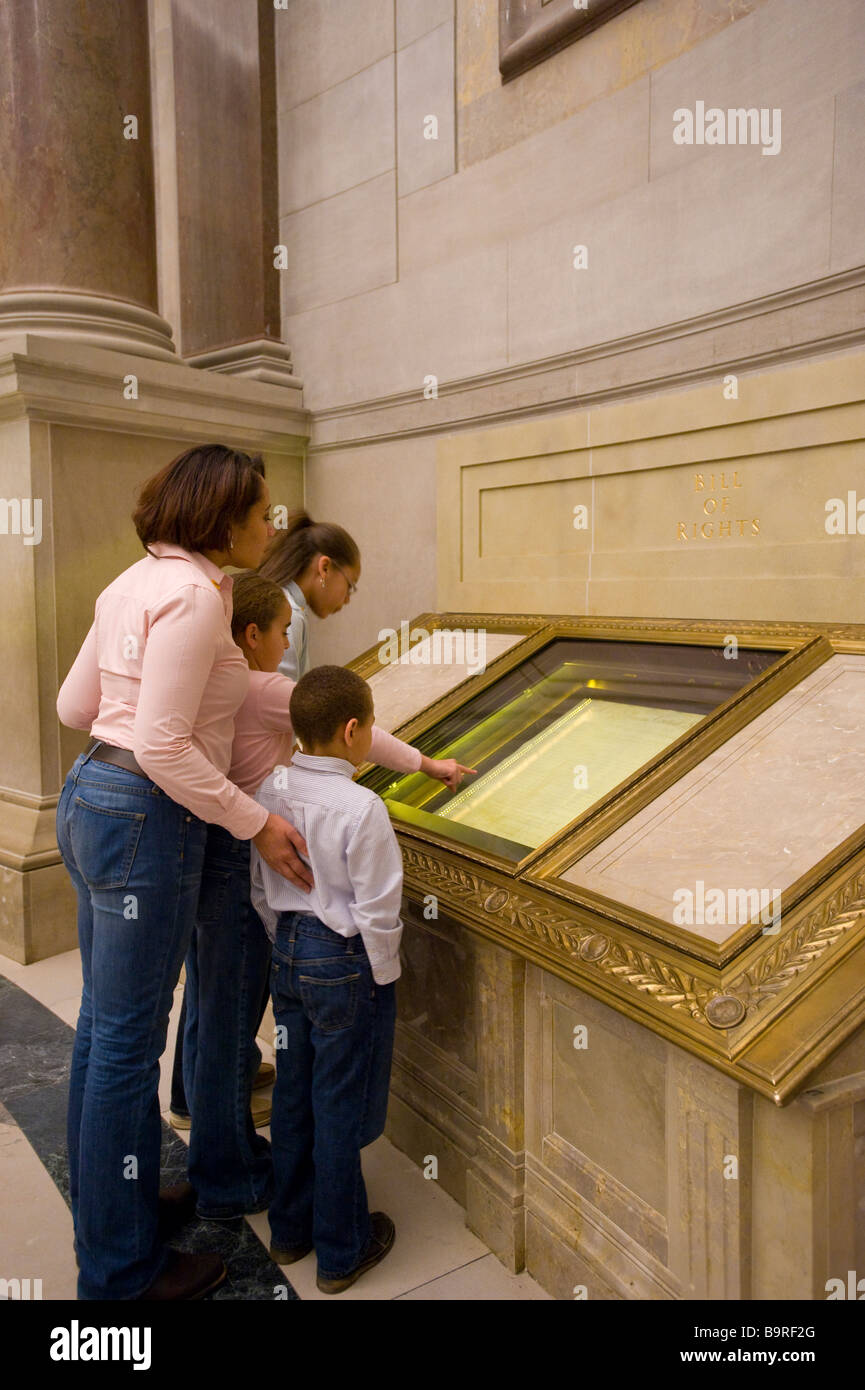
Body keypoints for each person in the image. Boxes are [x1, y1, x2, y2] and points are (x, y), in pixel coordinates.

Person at [55, 444, 310, 1301]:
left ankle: (115, 1210)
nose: (271, 523)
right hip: (145, 813)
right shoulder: (198, 597)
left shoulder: (132, 582)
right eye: (262, 511)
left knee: (104, 1030)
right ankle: (121, 1274)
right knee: (126, 1043)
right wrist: (259, 820)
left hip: (93, 789)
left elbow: (74, 708)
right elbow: (163, 743)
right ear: (222, 515)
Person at [177, 574, 472, 1220]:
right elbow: (374, 899)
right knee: (298, 1068)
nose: (289, 641)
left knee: (242, 1031)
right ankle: (281, 1201)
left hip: (264, 904)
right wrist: (426, 766)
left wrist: (276, 925)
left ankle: (277, 1200)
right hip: (319, 936)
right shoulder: (266, 691)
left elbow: (267, 883)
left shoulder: (236, 717)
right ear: (252, 636)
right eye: (284, 631)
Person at [251, 666, 415, 1293]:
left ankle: (290, 1231)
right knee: (340, 1100)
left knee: (294, 1090)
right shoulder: (363, 807)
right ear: (354, 731)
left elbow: (259, 878)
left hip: (289, 952)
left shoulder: (270, 789)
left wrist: (281, 943)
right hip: (344, 961)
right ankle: (342, 1248)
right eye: (370, 729)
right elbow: (378, 907)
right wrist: (382, 977)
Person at [258, 511, 359, 681]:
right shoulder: (289, 615)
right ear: (325, 567)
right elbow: (283, 701)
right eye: (350, 585)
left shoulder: (282, 602)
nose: (347, 599)